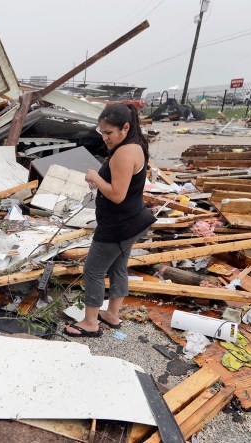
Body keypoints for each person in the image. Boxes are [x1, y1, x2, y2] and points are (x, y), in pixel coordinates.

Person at [64, 104, 156, 337]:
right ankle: (112, 315)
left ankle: (90, 323)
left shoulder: (124, 152)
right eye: (101, 132)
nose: (104, 138)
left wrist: (96, 176)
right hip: (132, 221)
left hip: (118, 225)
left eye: (108, 133)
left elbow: (117, 194)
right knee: (118, 267)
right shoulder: (135, 146)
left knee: (93, 270)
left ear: (125, 127)